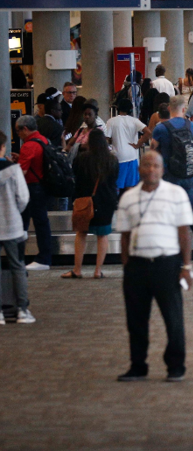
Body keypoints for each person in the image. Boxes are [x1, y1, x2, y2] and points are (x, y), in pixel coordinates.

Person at [115, 151, 193, 382]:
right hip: (137, 266)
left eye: (156, 166)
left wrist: (187, 266)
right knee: (136, 320)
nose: (151, 169)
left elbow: (184, 232)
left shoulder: (176, 193)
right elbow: (125, 236)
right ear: (140, 169)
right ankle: (138, 366)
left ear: (162, 169)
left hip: (167, 265)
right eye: (147, 165)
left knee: (173, 318)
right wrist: (127, 267)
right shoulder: (128, 197)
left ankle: (176, 366)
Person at [61, 130, 119, 280]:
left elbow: (76, 180)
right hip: (106, 202)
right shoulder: (112, 160)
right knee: (102, 236)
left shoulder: (81, 159)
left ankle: (77, 269)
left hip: (85, 201)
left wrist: (75, 198)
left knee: (81, 233)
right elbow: (114, 182)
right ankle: (98, 271)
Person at [0, 130, 34, 324]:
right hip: (11, 224)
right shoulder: (13, 170)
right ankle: (22, 310)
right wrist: (15, 211)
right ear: (2, 147)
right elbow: (23, 198)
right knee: (17, 267)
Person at [12, 115, 52, 271]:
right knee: (38, 222)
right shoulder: (43, 140)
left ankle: (38, 259)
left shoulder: (29, 146)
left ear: (25, 129)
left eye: (18, 131)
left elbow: (22, 172)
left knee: (27, 223)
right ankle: (40, 258)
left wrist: (10, 166)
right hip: (42, 186)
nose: (18, 134)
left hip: (31, 188)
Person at [152, 96, 193, 221]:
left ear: (169, 108)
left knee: (169, 211)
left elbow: (153, 148)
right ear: (184, 109)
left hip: (169, 174)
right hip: (189, 173)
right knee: (191, 211)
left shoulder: (160, 128)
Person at [105, 99, 152, 195]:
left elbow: (106, 139)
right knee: (130, 187)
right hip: (132, 156)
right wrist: (138, 144)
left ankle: (117, 206)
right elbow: (148, 132)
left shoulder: (111, 121)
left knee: (117, 186)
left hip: (118, 157)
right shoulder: (134, 121)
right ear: (131, 109)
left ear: (117, 108)